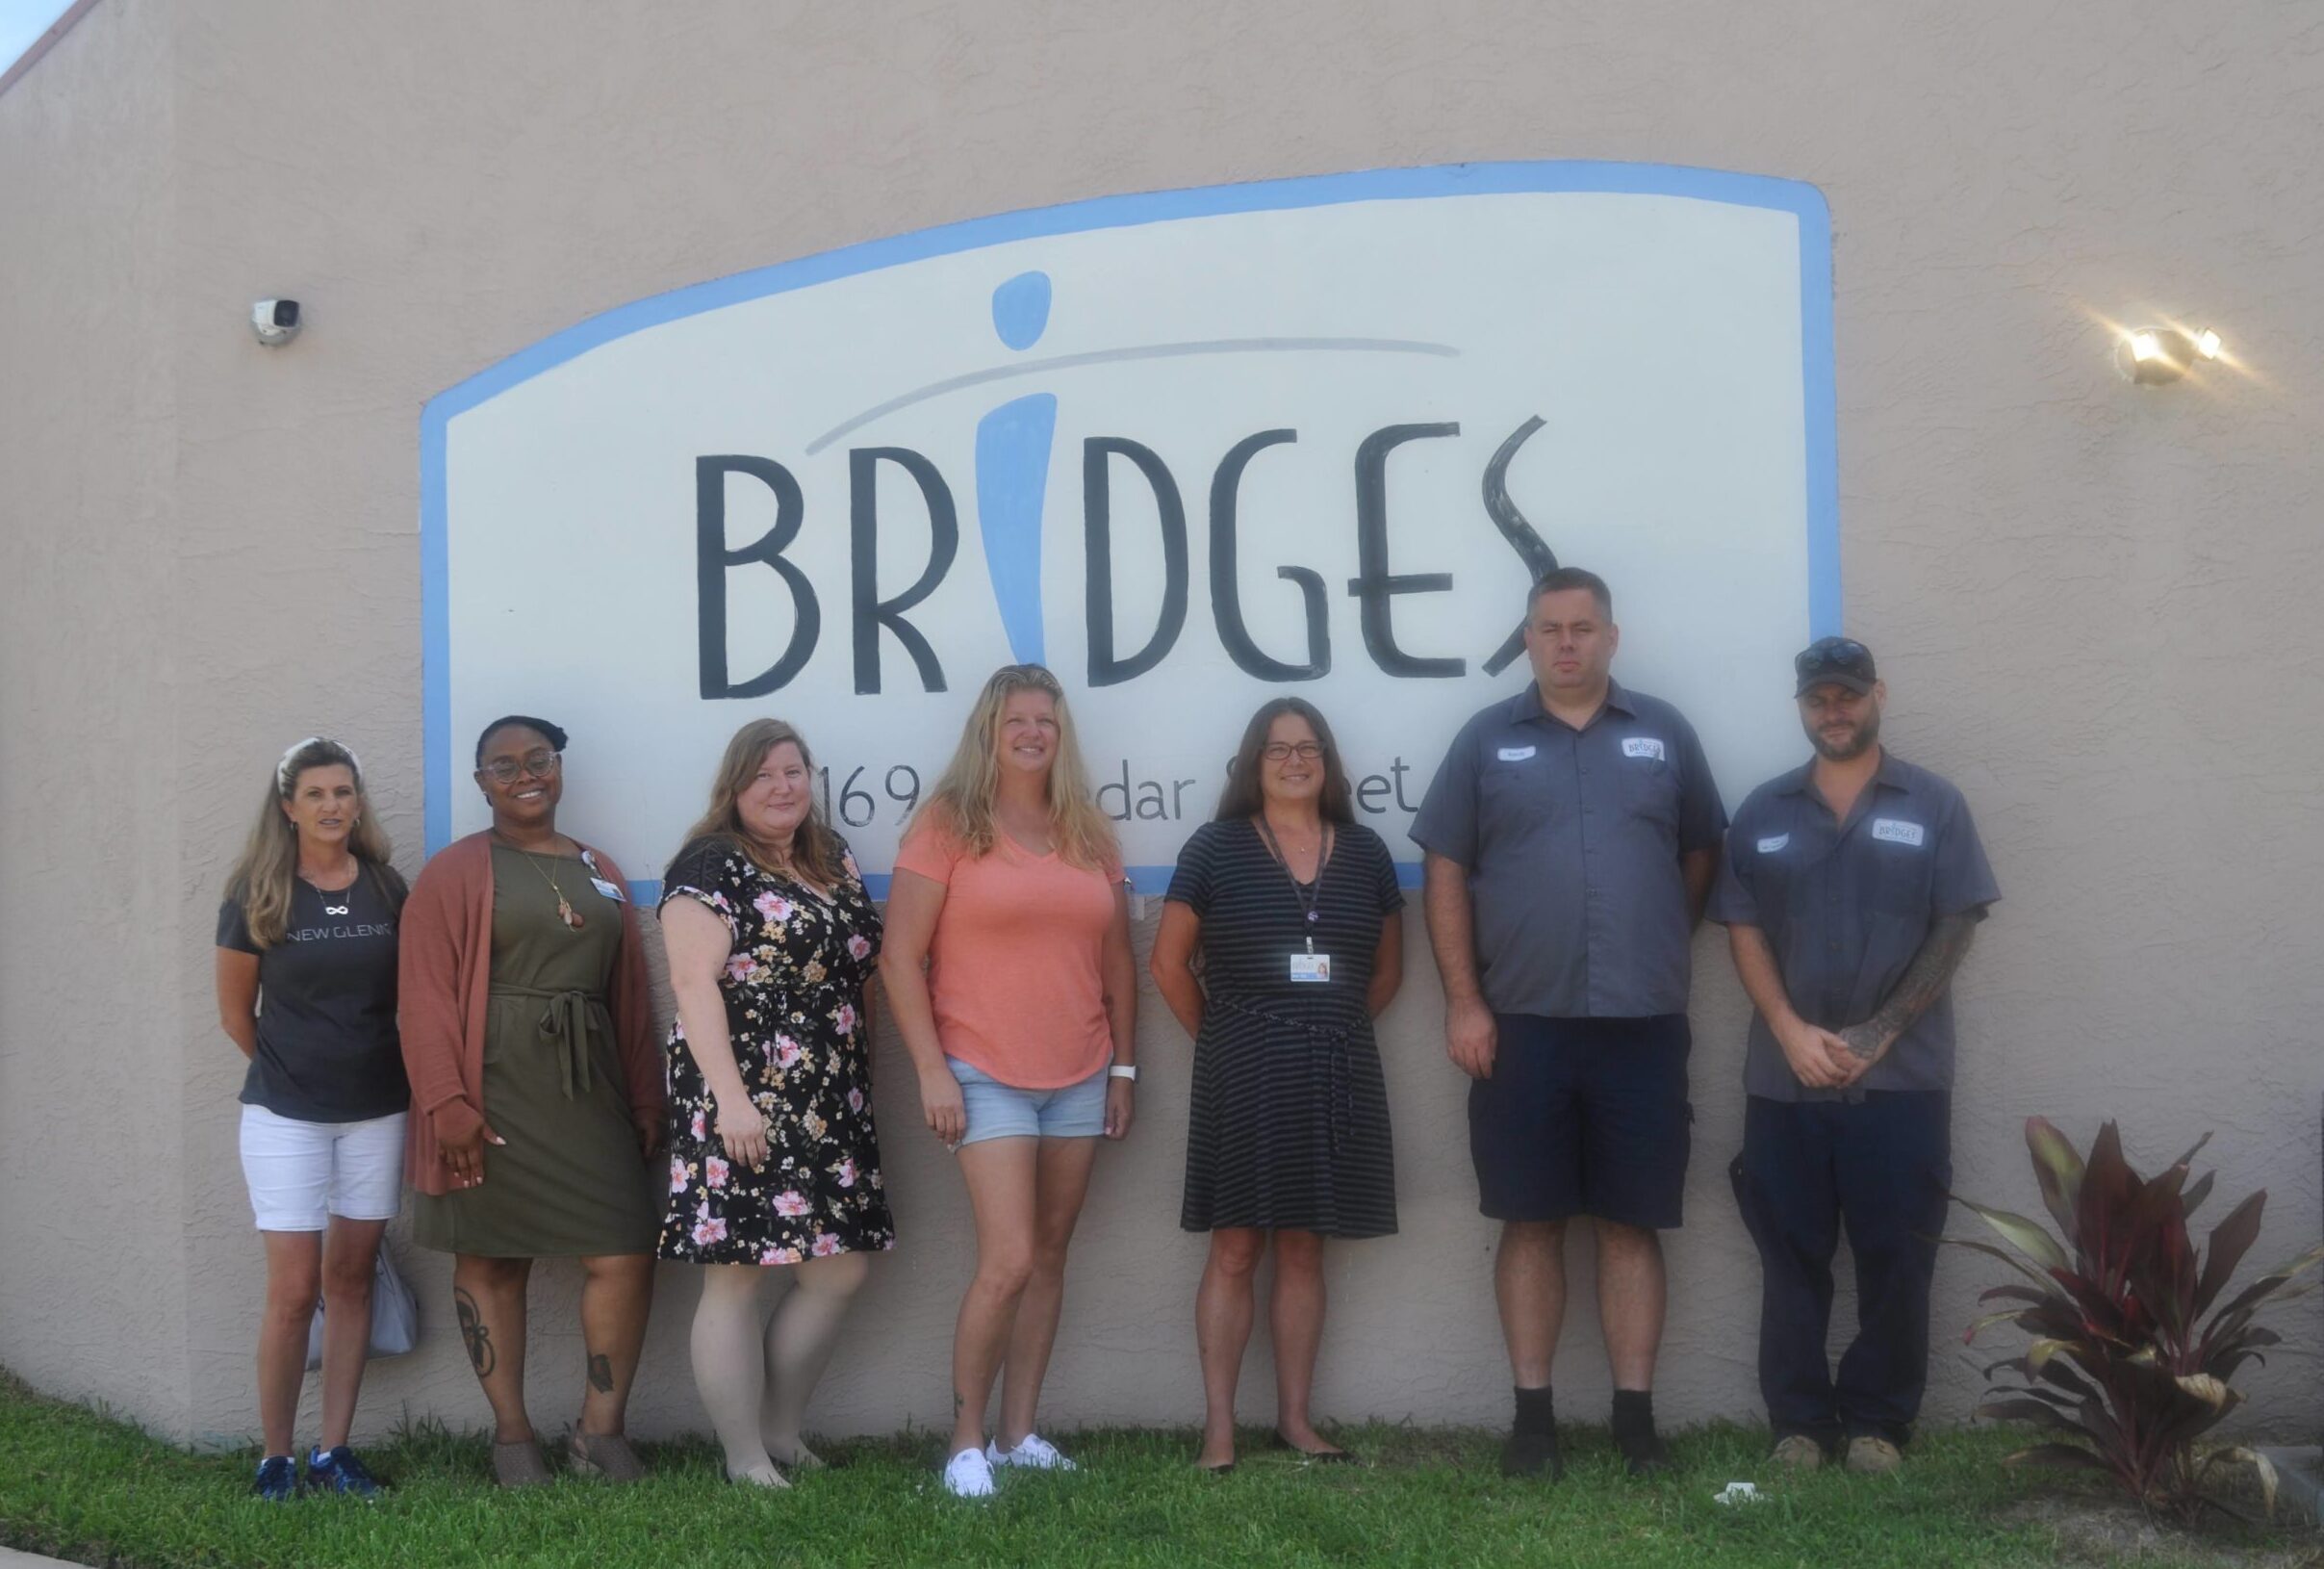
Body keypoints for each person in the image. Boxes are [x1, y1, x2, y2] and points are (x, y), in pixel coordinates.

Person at [1411, 566, 1725, 1479]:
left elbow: (1699, 856)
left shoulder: (1664, 735)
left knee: (1631, 1225)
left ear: (1611, 638)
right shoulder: (1484, 741)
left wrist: (1656, 937)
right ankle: (1533, 1422)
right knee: (1531, 1221)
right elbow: (1443, 873)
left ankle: (1635, 1423)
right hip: (1519, 1028)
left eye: (1582, 627)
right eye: (1548, 628)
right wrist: (1465, 1002)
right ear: (1528, 638)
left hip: (1641, 1021)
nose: (1566, 643)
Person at [1710, 636, 1998, 1475]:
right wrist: (1791, 1032)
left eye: (1845, 695)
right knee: (1789, 1258)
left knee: (1897, 1259)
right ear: (1800, 708)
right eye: (1816, 699)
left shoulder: (1934, 804)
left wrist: (1877, 1036)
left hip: (1901, 1082)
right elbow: (1743, 928)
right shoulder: (1762, 811)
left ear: (1877, 695)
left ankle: (1878, 1425)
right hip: (1783, 1079)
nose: (1832, 711)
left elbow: (1956, 924)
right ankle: (1799, 1426)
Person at [881, 664, 1137, 1500]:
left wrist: (1124, 1068)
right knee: (1010, 1259)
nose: (1032, 733)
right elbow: (898, 957)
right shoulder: (947, 825)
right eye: (1016, 720)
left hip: (1080, 1072)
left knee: (1052, 1256)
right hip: (981, 1070)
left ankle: (1019, 1432)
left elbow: (1117, 966)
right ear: (988, 730)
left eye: (1046, 721)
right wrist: (930, 1071)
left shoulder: (1089, 833)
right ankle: (964, 1442)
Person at [398, 716, 665, 1487]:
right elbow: (421, 997)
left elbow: (629, 993)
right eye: (503, 765)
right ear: (480, 782)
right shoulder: (455, 872)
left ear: (558, 767)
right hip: (490, 1086)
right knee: (492, 1257)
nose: (525, 774)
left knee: (622, 1251)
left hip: (591, 1088)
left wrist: (646, 1096)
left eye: (538, 759)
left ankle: (599, 1432)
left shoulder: (595, 865)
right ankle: (512, 1438)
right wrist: (446, 1103)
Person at [1150, 698, 1405, 1474]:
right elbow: (1166, 965)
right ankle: (1219, 1431)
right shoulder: (1215, 847)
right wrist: (1231, 1036)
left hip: (1336, 1068)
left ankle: (1295, 1421)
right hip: (1242, 1069)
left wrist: (1321, 1031)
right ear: (1251, 764)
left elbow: (1387, 971)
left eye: (1308, 748)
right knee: (1234, 1250)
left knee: (1303, 1248)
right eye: (1276, 749)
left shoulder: (1364, 853)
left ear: (1326, 762)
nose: (1294, 761)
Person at [658, 718, 895, 1487]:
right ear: (735, 786)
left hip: (830, 1092)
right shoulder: (709, 865)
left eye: (794, 771)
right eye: (764, 775)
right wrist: (731, 1101)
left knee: (839, 1269)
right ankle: (744, 1457)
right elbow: (693, 986)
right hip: (742, 1091)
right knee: (735, 1270)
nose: (783, 786)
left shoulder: (828, 858)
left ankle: (780, 1430)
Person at [215, 736, 409, 1501]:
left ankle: (334, 1451)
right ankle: (276, 1458)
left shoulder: (387, 887)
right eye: (317, 794)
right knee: (295, 1291)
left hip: (376, 1113)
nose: (333, 805)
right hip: (286, 1115)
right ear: (289, 808)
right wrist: (300, 1069)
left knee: (352, 1278)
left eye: (344, 791)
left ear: (357, 802)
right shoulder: (256, 891)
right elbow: (237, 1016)